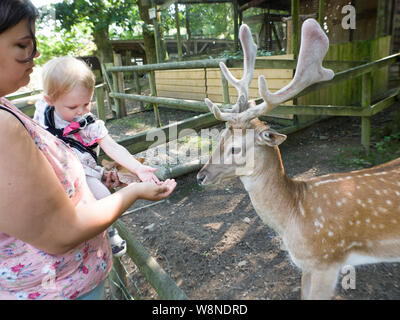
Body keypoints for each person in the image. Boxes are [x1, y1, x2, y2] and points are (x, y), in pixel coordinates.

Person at [0, 0, 176, 300]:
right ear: (51, 100)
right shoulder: (12, 123)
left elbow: (107, 145)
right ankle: (114, 233)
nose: (35, 54)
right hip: (56, 289)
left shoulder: (10, 107)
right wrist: (133, 191)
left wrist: (135, 168)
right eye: (23, 45)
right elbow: (61, 232)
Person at [33, 56, 160, 258]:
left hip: (82, 172)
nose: (81, 112)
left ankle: (110, 233)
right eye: (73, 107)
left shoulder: (88, 123)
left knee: (102, 196)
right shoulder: (42, 112)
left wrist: (137, 167)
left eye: (87, 103)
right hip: (52, 171)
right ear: (50, 100)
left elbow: (111, 146)